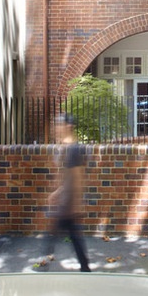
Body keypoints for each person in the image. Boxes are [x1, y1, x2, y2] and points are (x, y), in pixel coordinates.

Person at [46, 113, 91, 272]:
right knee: (72, 236)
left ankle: (45, 263)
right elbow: (65, 176)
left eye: (59, 124)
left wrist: (76, 204)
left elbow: (78, 177)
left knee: (62, 235)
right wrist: (56, 193)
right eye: (55, 124)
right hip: (65, 201)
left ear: (68, 126)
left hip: (69, 203)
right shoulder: (65, 147)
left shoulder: (74, 149)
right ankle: (85, 268)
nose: (56, 128)